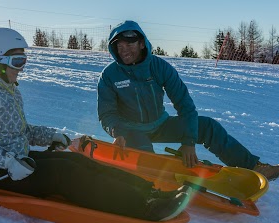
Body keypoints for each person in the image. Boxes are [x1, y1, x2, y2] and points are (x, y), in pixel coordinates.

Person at [0, 27, 191, 222]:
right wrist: (7, 161)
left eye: (24, 59)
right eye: (17, 61)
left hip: (17, 159)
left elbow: (21, 131)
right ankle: (144, 208)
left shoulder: (8, 90)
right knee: (64, 173)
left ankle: (151, 191)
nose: (22, 66)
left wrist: (52, 136)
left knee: (76, 160)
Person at [97, 20, 279, 180]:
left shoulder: (160, 67)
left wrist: (188, 142)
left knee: (208, 127)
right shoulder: (110, 75)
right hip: (130, 131)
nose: (124, 51)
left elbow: (185, 106)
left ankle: (253, 167)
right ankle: (156, 181)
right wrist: (117, 131)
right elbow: (107, 113)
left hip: (160, 124)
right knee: (147, 164)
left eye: (129, 45)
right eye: (119, 47)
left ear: (142, 43)